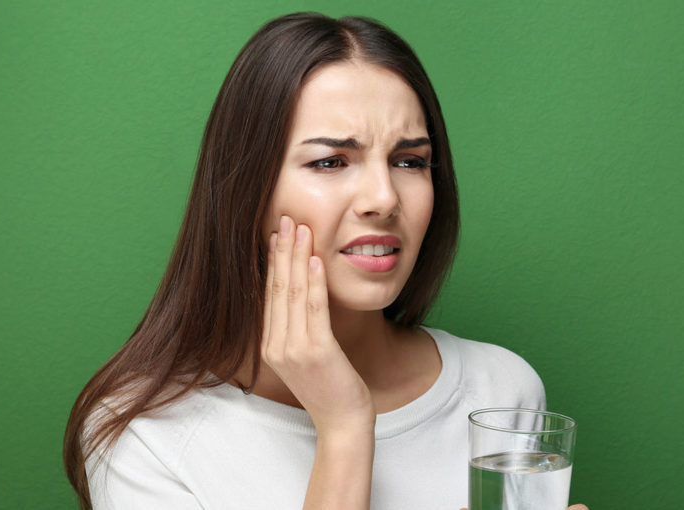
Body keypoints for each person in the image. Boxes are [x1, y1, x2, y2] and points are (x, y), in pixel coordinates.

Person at [63, 12, 589, 510]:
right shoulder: (146, 432)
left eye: (410, 161)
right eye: (331, 161)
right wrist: (343, 427)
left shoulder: (500, 392)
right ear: (248, 192)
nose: (383, 199)